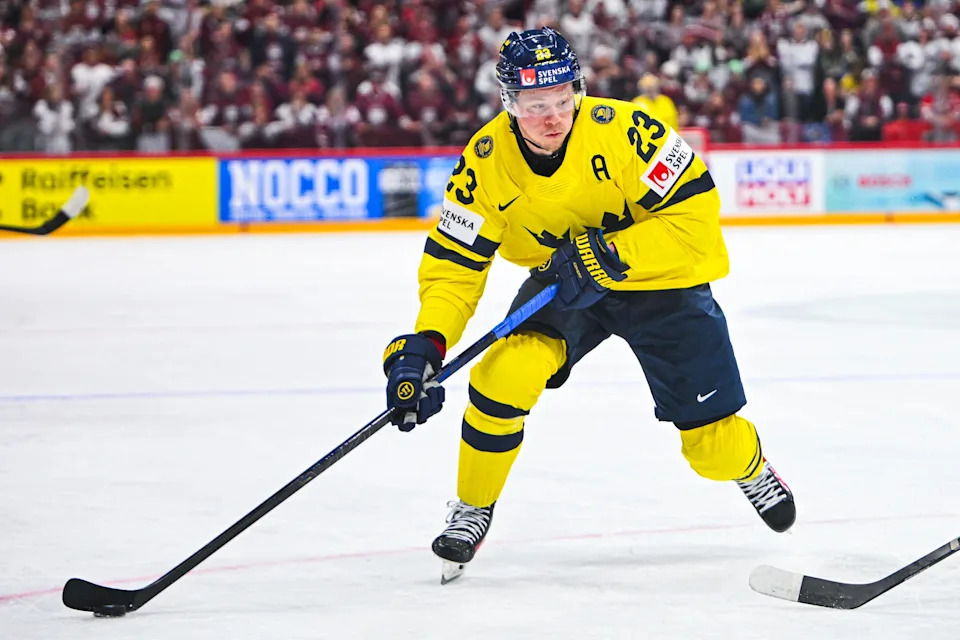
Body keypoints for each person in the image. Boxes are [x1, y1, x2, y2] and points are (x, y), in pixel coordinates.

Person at [381, 28, 796, 583]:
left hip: (660, 282)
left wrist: (610, 253)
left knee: (711, 450)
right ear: (508, 104)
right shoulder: (483, 162)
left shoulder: (629, 131)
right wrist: (426, 342)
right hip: (566, 282)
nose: (553, 118)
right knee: (504, 372)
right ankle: (473, 506)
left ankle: (749, 466)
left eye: (562, 101)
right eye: (535, 107)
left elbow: (698, 225)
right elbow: (455, 265)